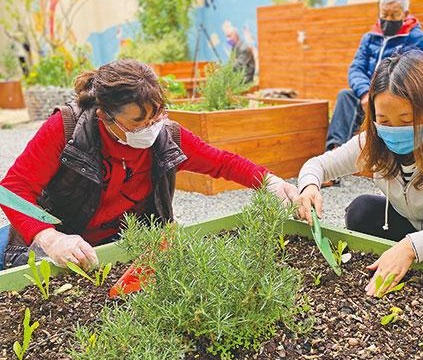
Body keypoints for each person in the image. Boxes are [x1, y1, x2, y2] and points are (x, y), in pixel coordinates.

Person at [0, 59, 297, 270]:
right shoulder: (66, 127)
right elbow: (13, 189)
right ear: (105, 116)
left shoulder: (166, 136)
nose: (151, 128)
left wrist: (271, 182)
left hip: (121, 246)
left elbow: (222, 163)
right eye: (138, 122)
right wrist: (50, 239)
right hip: (61, 245)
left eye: (157, 116)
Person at [296, 50, 423, 296]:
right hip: (409, 223)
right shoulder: (374, 140)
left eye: (406, 121)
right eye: (383, 119)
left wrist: (410, 248)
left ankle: (416, 254)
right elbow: (318, 165)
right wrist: (308, 187)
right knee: (361, 211)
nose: (393, 129)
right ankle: (412, 254)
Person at [324, 0, 423, 158]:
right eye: (384, 14)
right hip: (367, 97)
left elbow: (409, 72)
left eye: (394, 15)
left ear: (406, 14)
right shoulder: (369, 37)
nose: (388, 19)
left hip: (393, 95)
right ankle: (334, 151)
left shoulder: (415, 37)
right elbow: (356, 68)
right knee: (345, 96)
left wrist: (380, 93)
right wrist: (365, 93)